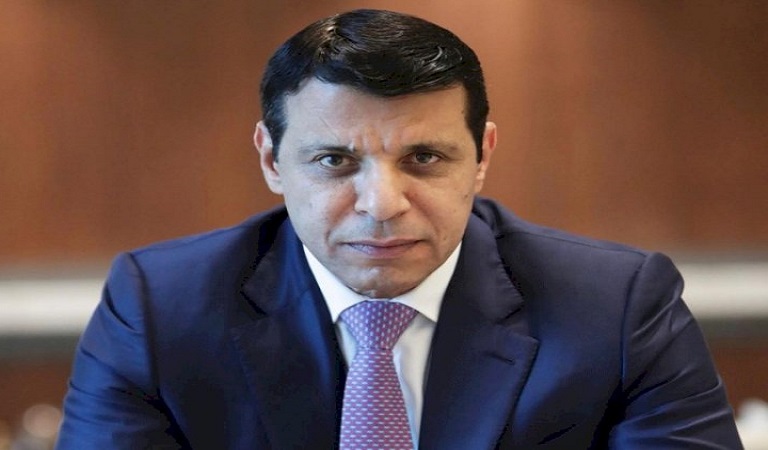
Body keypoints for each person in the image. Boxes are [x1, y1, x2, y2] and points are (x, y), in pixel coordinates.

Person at [55, 8, 742, 449]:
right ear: (270, 160)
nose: (382, 204)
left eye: (424, 158)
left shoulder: (617, 306)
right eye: (334, 161)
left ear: (482, 157)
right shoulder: (160, 306)